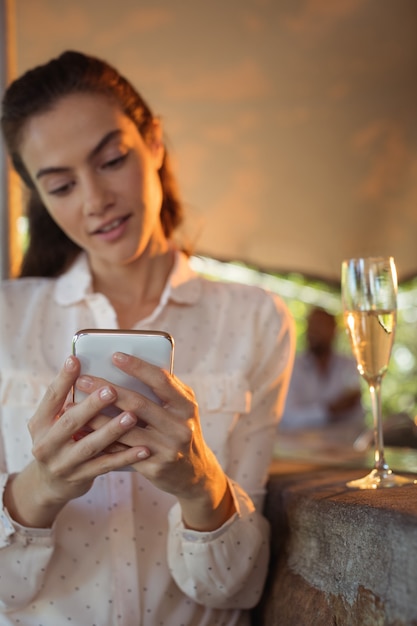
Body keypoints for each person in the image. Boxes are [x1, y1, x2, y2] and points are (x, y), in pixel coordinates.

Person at [0, 51, 295, 625]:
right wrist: (42, 487)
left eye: (111, 160)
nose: (95, 200)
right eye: (60, 186)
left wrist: (200, 483)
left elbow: (235, 588)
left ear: (154, 142)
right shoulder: (6, 319)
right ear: (39, 195)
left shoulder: (255, 319)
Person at [280, 306, 364, 440]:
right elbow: (288, 417)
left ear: (334, 330)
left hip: (344, 447)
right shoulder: (292, 366)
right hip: (299, 449)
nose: (313, 332)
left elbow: (355, 412)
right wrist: (330, 410)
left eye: (320, 326)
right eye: (311, 326)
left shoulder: (349, 365)